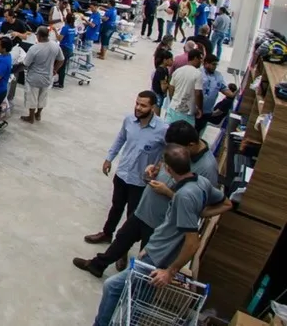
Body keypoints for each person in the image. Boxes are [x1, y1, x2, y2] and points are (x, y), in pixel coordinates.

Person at [92, 144, 230, 326]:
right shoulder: (202, 182)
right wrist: (200, 213)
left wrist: (170, 272)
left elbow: (192, 242)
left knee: (112, 287)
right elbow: (227, 203)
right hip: (154, 250)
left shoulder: (184, 196)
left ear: (169, 169)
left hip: (159, 257)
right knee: (141, 297)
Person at [75, 121, 227, 278]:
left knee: (146, 261)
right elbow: (164, 163)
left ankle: (131, 283)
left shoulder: (207, 169)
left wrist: (168, 193)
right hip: (145, 208)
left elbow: (200, 205)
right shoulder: (179, 148)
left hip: (161, 223)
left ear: (190, 145)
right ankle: (97, 265)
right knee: (122, 238)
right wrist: (155, 169)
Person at [83, 91, 167, 246]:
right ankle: (107, 233)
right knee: (116, 206)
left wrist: (158, 167)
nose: (138, 108)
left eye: (143, 105)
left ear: (153, 107)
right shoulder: (129, 120)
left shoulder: (162, 129)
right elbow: (120, 138)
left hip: (141, 181)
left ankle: (123, 247)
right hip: (122, 173)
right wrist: (109, 158)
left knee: (133, 215)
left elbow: (168, 152)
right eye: (137, 103)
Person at [21, 27, 64, 124]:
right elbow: (61, 60)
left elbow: (26, 63)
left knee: (32, 97)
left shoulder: (34, 48)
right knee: (43, 96)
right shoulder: (55, 46)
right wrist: (55, 70)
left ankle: (31, 117)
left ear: (39, 36)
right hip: (47, 76)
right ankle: (38, 114)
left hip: (34, 77)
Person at [198, 54, 235, 134]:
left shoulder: (218, 76)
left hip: (207, 111)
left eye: (216, 65)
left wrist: (235, 94)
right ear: (206, 63)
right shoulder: (198, 73)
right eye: (213, 64)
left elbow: (224, 89)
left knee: (199, 131)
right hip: (195, 110)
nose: (215, 67)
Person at [166, 49, 204, 125]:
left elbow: (171, 88)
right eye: (200, 59)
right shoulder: (198, 74)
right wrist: (199, 108)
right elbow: (198, 93)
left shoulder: (178, 71)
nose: (201, 62)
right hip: (187, 112)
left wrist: (173, 100)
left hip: (173, 108)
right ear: (195, 58)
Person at [53, 13, 78, 88]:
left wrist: (55, 30)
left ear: (66, 19)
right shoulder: (73, 28)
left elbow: (59, 39)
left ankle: (61, 83)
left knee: (61, 66)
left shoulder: (65, 28)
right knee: (62, 64)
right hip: (70, 48)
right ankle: (59, 80)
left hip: (64, 48)